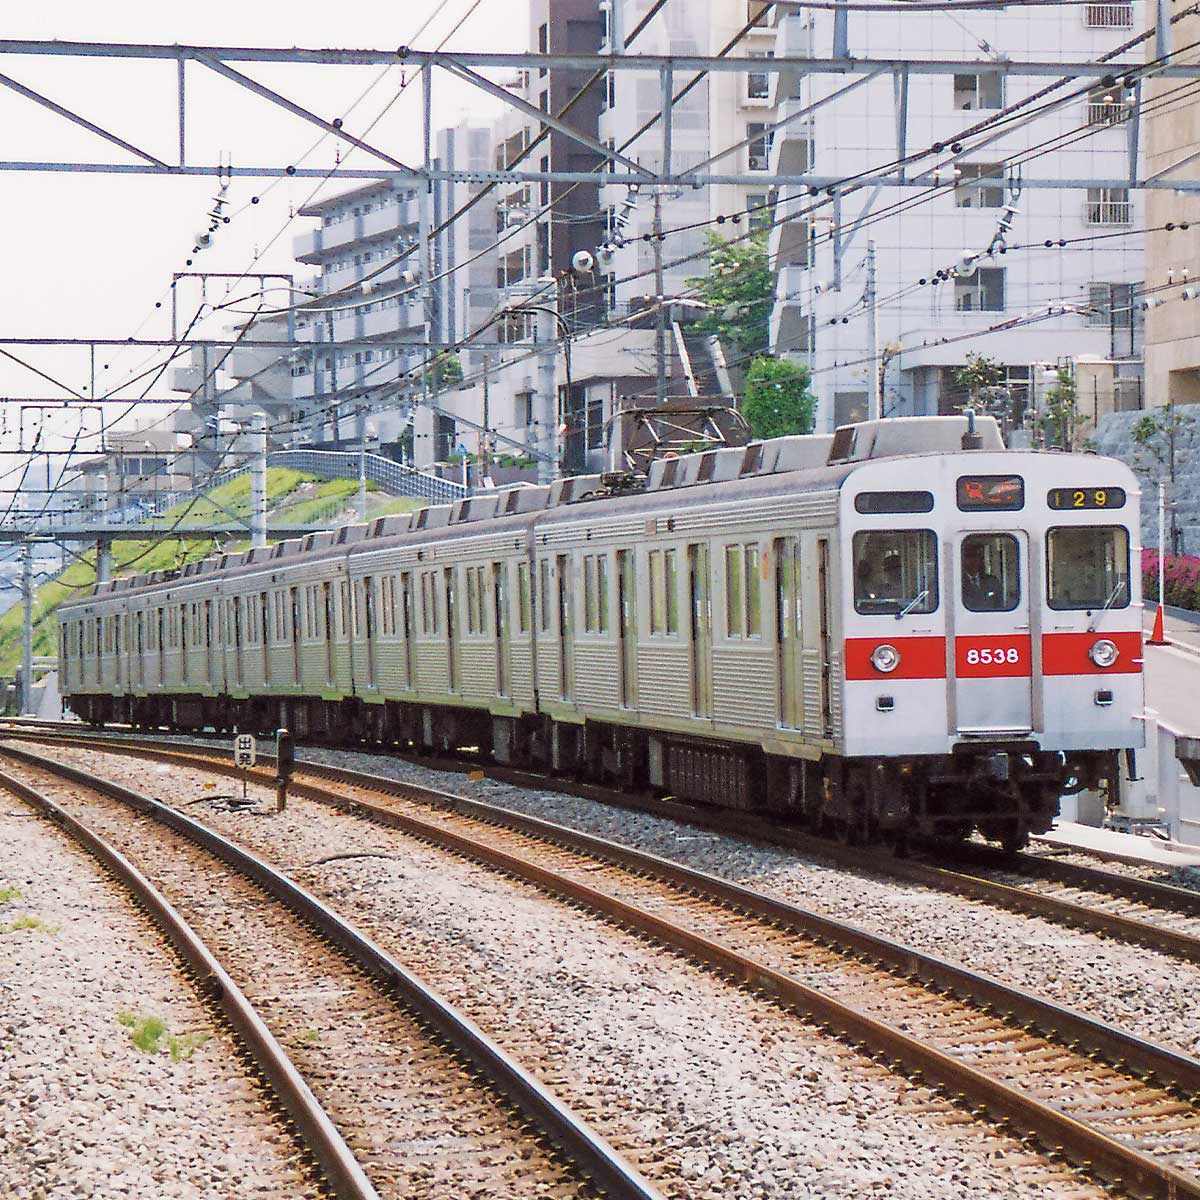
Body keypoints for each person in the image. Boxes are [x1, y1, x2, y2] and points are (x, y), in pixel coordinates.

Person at [962, 542, 1002, 610]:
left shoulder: (992, 581)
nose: (973, 561)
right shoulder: (959, 583)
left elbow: (999, 605)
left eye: (976, 557)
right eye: (969, 557)